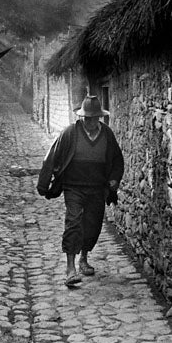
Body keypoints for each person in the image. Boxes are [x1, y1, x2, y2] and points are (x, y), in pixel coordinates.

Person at [37, 95, 124, 287]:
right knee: (73, 222)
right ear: (82, 117)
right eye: (87, 118)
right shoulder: (70, 133)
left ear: (100, 118)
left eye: (94, 118)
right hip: (73, 187)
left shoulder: (107, 135)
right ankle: (70, 269)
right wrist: (44, 185)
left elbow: (117, 160)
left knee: (92, 225)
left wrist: (113, 181)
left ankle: (83, 258)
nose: (90, 122)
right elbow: (52, 157)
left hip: (97, 188)